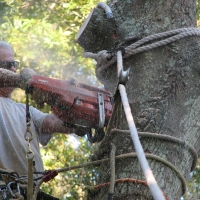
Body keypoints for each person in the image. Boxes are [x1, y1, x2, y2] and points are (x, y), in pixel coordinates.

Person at [0, 41, 83, 198]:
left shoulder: (25, 110)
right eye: (6, 64)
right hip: (5, 190)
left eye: (14, 64)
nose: (13, 68)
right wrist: (27, 81)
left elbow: (54, 122)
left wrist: (71, 106)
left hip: (32, 192)